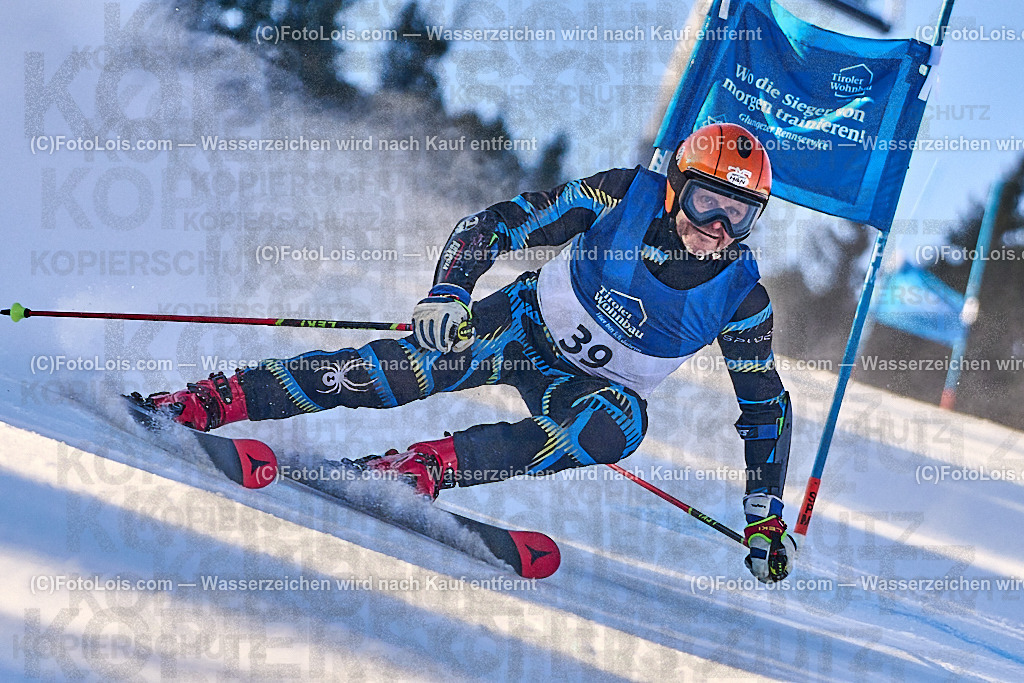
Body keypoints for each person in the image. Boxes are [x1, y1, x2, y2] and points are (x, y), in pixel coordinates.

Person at [140, 123, 797, 583]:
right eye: (709, 200)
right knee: (395, 373)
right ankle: (213, 398)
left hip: (585, 392)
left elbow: (765, 409)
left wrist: (765, 514)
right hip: (519, 326)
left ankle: (421, 468)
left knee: (620, 424)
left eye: (739, 215)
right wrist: (450, 291)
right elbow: (500, 222)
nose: (717, 226)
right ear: (678, 186)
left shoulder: (741, 298)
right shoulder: (623, 195)